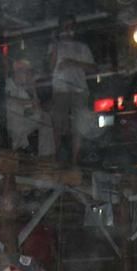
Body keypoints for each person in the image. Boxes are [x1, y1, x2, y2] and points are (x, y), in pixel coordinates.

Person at [49, 14, 95, 163]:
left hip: (79, 90)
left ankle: (75, 160)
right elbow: (50, 67)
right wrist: (55, 44)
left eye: (70, 26)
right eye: (65, 26)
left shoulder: (82, 47)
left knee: (78, 127)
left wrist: (73, 63)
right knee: (57, 125)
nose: (68, 29)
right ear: (60, 28)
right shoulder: (54, 46)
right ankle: (56, 158)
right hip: (60, 89)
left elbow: (93, 68)